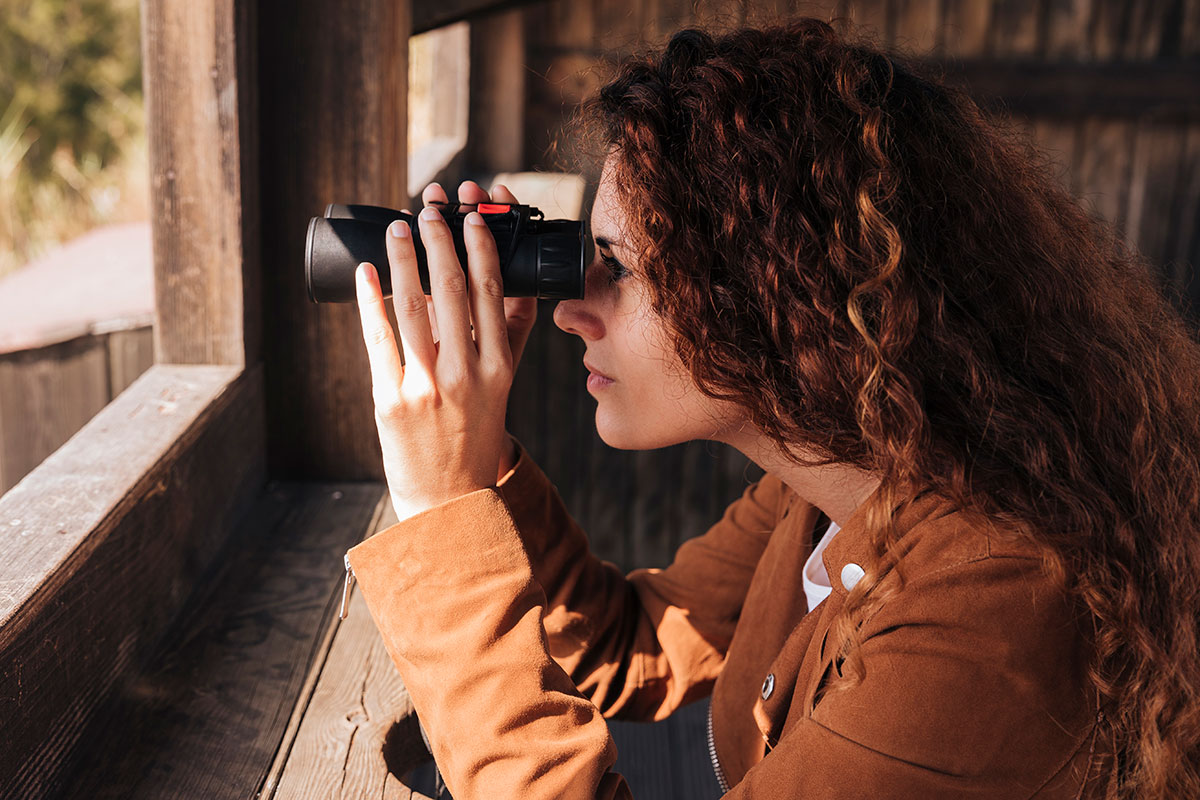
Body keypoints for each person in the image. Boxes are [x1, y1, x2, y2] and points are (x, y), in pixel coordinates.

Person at [346, 19, 1200, 800]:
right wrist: (476, 448)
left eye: (620, 266)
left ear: (784, 298)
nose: (573, 307)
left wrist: (443, 513)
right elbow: (632, 645)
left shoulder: (991, 611)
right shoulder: (844, 473)